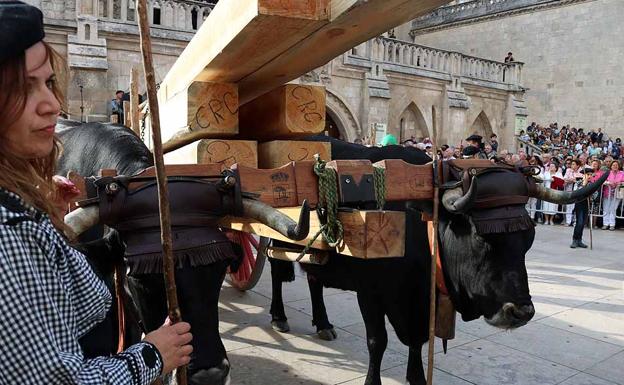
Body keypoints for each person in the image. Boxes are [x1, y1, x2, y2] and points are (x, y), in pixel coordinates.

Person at [0, 2, 192, 383]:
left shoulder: (18, 205)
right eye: (23, 89)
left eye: (48, 82)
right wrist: (153, 354)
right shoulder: (10, 231)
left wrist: (43, 210)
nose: (53, 105)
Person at [601, 160, 624, 230]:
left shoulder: (622, 173)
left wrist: (620, 183)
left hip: (617, 194)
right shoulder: (607, 173)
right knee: (606, 208)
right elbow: (603, 181)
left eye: (616, 165)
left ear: (619, 166)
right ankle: (605, 224)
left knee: (613, 209)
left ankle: (612, 224)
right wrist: (608, 183)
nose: (615, 166)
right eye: (613, 165)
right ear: (611, 166)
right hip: (607, 193)